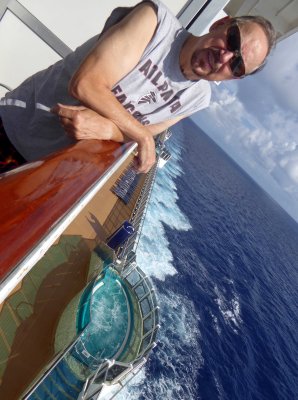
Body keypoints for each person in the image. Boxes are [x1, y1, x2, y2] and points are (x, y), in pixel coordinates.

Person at [0, 0, 275, 174]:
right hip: (14, 130)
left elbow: (141, 130)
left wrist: (110, 128)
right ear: (221, 24)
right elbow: (87, 84)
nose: (225, 57)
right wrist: (142, 138)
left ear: (235, 78)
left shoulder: (198, 97)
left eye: (237, 65)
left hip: (47, 172)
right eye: (233, 40)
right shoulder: (154, 21)